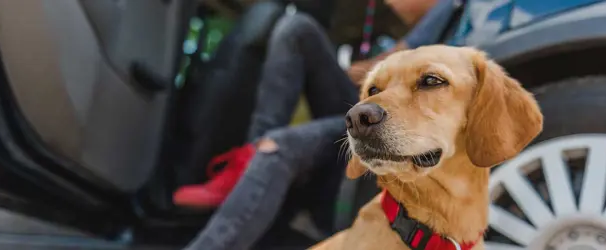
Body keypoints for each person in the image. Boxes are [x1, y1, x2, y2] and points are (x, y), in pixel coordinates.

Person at [175, 0, 461, 249]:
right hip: (364, 109)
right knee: (296, 28)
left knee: (280, 145)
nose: (388, 2)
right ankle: (249, 157)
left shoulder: (456, 8)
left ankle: (260, 156)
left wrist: (352, 72)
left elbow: (392, 69)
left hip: (390, 122)